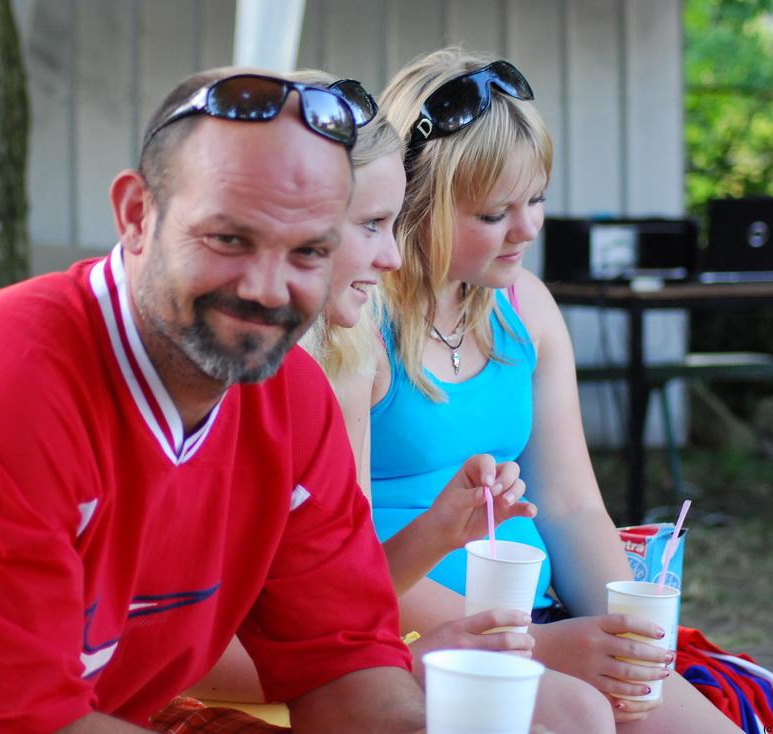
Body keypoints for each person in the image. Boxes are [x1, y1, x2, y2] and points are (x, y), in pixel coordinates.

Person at [0, 68, 428, 733]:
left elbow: (343, 667)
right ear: (136, 214)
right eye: (229, 239)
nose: (267, 288)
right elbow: (7, 725)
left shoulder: (294, 398)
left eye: (308, 252)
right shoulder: (1, 377)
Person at [189, 70, 615, 734]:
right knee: (573, 713)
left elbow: (341, 587)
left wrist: (436, 539)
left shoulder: (323, 364)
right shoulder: (284, 368)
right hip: (271, 683)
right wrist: (430, 658)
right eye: (371, 225)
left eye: (537, 200)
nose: (391, 256)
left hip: (361, 656)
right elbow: (179, 648)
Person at [371, 48, 743, 733]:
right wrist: (537, 645)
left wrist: (623, 632)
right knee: (580, 716)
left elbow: (571, 506)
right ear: (415, 203)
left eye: (536, 199)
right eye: (494, 213)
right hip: (406, 640)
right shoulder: (358, 326)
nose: (529, 229)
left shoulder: (525, 306)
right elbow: (329, 563)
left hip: (535, 626)